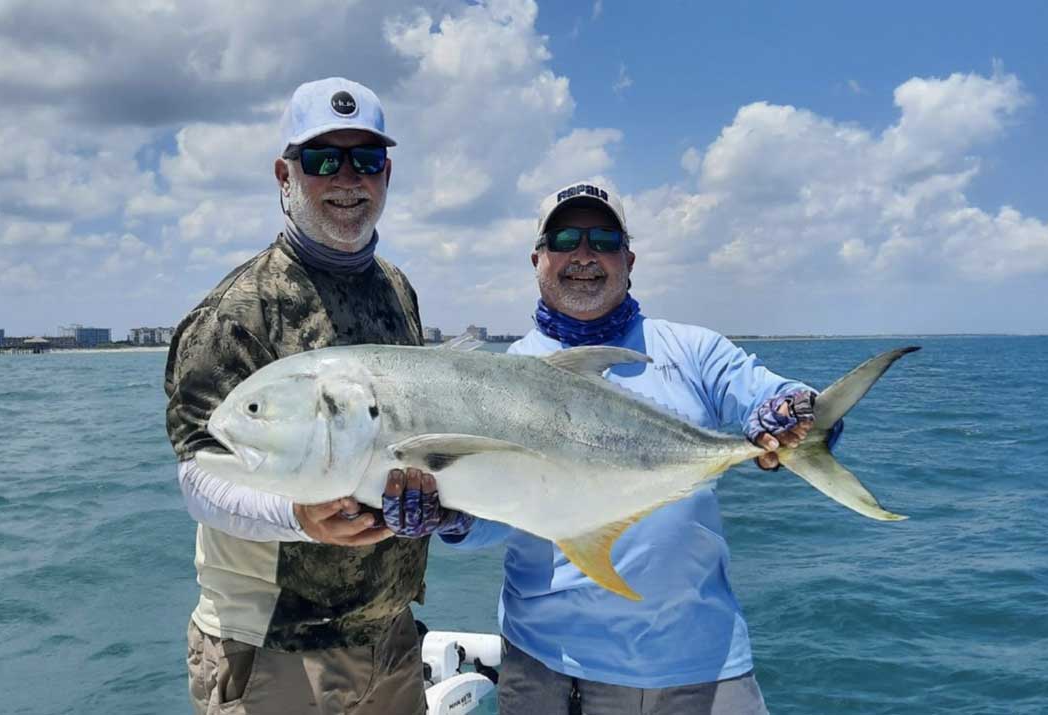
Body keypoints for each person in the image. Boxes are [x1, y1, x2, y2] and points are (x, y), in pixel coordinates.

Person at [382, 181, 839, 714]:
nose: (583, 254)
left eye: (602, 239)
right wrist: (450, 518)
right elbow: (496, 514)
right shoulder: (495, 379)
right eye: (565, 238)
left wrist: (793, 413)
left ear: (629, 258)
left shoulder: (691, 350)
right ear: (538, 258)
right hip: (549, 669)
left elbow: (775, 394)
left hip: (701, 666)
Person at [164, 77, 429, 715]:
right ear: (285, 173)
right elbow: (198, 477)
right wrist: (298, 518)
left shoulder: (398, 290)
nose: (347, 178)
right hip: (272, 650)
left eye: (365, 160)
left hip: (388, 635)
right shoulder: (235, 314)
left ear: (386, 174)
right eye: (322, 160)